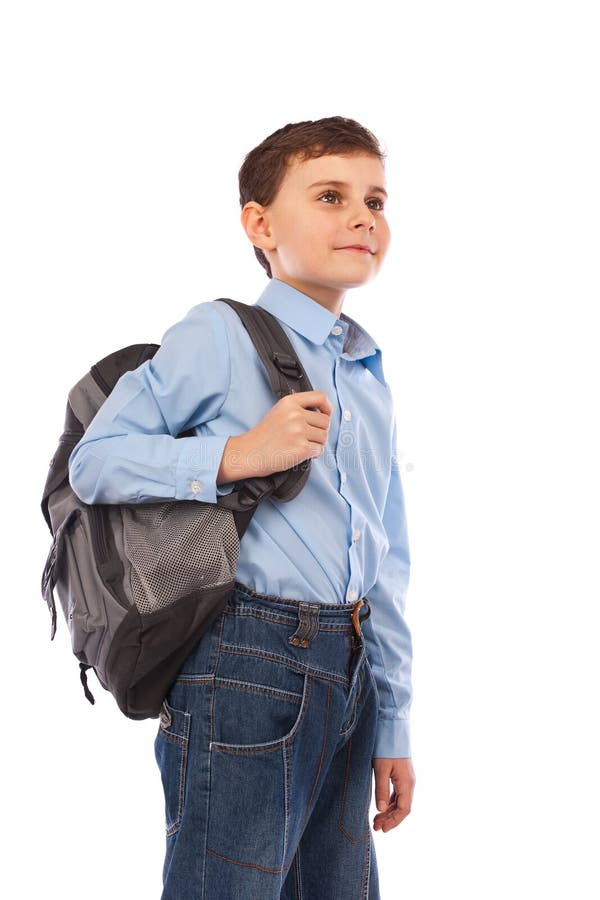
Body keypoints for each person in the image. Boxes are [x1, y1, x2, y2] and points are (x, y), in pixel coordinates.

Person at [68, 115, 416, 899]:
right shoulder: (219, 335)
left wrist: (391, 721)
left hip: (352, 666)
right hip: (251, 660)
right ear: (260, 224)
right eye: (331, 195)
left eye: (376, 199)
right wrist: (239, 455)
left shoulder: (364, 369)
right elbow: (95, 462)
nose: (363, 217)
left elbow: (386, 558)